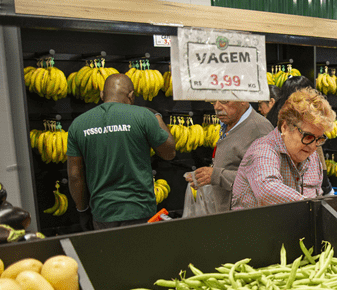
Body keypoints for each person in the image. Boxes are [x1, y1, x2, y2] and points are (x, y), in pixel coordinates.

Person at [67, 73, 176, 230]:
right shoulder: (143, 116)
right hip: (140, 210)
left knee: (109, 254)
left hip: (102, 212)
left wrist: (82, 211)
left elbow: (75, 176)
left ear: (102, 95)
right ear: (131, 95)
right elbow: (169, 153)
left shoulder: (78, 124)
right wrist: (157, 116)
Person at [231, 88, 336, 209]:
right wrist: (311, 205)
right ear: (285, 127)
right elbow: (267, 190)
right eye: (307, 137)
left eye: (319, 139)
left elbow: (317, 194)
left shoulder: (312, 157)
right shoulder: (262, 151)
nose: (313, 146)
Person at [188, 99, 273, 213]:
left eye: (224, 101)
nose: (217, 107)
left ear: (243, 99)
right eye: (213, 101)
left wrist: (217, 175)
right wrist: (208, 177)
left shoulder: (259, 129)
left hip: (246, 219)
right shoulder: (228, 124)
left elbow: (263, 180)